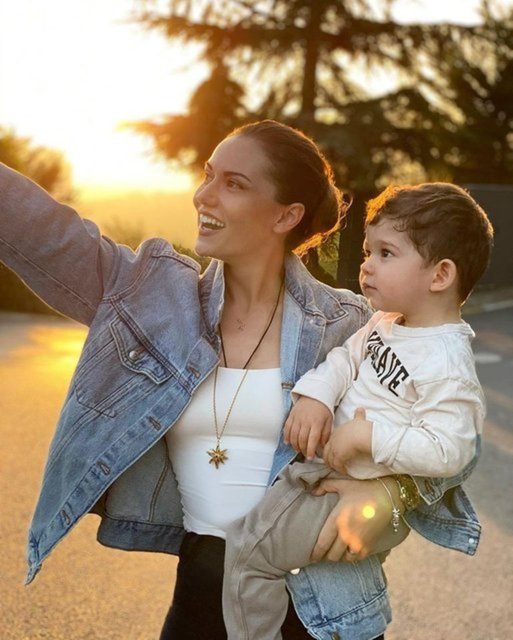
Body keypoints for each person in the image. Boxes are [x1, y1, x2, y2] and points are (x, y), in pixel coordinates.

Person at [0, 120, 481, 640]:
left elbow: (457, 439)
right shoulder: (153, 300)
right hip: (202, 589)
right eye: (208, 175)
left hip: (327, 607)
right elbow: (44, 233)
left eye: (234, 183)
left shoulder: (350, 323)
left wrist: (391, 497)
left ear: (286, 215)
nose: (203, 195)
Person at [222, 182, 493, 640]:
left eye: (386, 253)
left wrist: (368, 437)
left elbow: (452, 448)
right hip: (327, 476)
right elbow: (345, 360)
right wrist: (316, 396)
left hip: (351, 491)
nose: (366, 265)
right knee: (250, 540)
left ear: (440, 275)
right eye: (368, 251)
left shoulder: (447, 363)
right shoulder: (386, 322)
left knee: (249, 554)